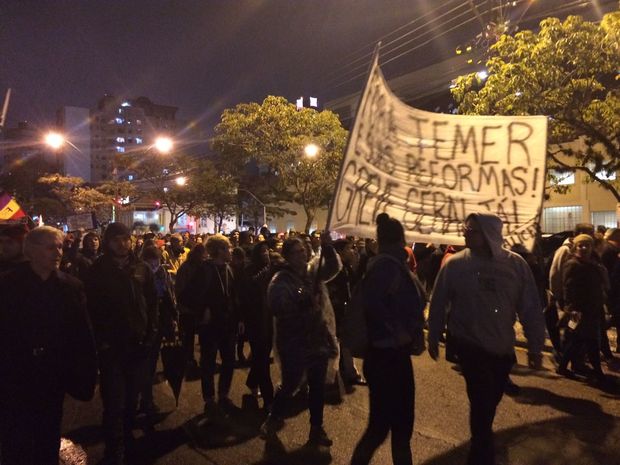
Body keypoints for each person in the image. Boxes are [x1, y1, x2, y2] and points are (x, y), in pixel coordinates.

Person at [428, 213, 545, 465]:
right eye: (465, 229)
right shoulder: (456, 264)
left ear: (489, 233)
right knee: (481, 401)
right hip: (470, 347)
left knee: (490, 401)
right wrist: (433, 333)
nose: (464, 233)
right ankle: (481, 454)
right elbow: (439, 301)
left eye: (471, 230)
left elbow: (530, 307)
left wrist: (536, 346)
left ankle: (481, 441)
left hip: (502, 347)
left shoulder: (516, 266)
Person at [0, 226, 97, 465]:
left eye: (60, 246)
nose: (58, 252)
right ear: (30, 250)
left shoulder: (71, 286)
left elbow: (82, 334)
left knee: (49, 432)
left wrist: (86, 372)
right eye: (50, 246)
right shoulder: (7, 285)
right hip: (15, 374)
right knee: (16, 437)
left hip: (53, 374)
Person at [350, 213, 424, 465]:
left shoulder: (394, 265)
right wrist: (398, 331)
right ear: (399, 239)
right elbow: (374, 305)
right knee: (383, 427)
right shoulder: (385, 267)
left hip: (392, 355)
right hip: (386, 356)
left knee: (398, 428)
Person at [86, 222, 158, 465]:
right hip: (112, 347)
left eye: (126, 239)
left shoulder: (141, 268)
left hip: (138, 345)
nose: (122, 243)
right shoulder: (97, 270)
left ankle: (128, 440)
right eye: (117, 239)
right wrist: (102, 342)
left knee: (131, 401)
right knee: (114, 403)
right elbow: (91, 309)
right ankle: (114, 450)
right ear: (107, 242)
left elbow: (152, 302)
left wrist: (151, 334)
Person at [260, 232, 340, 447]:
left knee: (317, 386)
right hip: (293, 341)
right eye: (296, 252)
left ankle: (316, 428)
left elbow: (332, 268)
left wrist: (328, 247)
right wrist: (303, 303)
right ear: (287, 256)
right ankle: (273, 418)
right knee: (290, 384)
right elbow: (277, 306)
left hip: (317, 339)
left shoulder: (312, 273)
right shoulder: (280, 280)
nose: (302, 255)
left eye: (304, 250)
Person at [182, 234, 240, 418]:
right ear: (219, 250)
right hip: (210, 326)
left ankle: (224, 395)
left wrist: (239, 319)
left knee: (229, 361)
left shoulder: (229, 269)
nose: (230, 251)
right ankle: (209, 400)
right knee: (208, 363)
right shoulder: (205, 270)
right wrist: (203, 310)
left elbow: (234, 296)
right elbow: (186, 295)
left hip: (228, 324)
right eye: (227, 248)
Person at [557, 234, 608, 383]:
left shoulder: (592, 264)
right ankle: (599, 374)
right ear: (575, 247)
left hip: (592, 308)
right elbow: (568, 288)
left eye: (587, 245)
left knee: (577, 341)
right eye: (581, 245)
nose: (584, 248)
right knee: (591, 341)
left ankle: (562, 367)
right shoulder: (573, 264)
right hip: (581, 310)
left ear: (592, 247)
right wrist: (570, 308)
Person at [241, 241, 276, 410]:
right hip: (256, 323)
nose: (266, 254)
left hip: (269, 322)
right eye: (263, 251)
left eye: (267, 250)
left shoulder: (272, 271)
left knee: (260, 357)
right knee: (262, 361)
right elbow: (248, 292)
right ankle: (269, 400)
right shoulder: (250, 271)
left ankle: (252, 381)